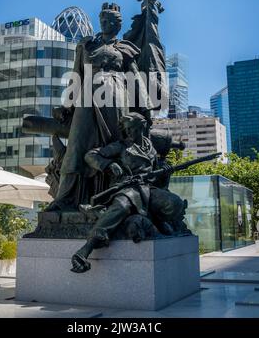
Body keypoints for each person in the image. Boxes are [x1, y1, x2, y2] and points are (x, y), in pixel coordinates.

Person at [46, 3, 151, 211]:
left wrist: (145, 107)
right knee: (76, 144)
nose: (104, 23)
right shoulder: (87, 45)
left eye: (109, 20)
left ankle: (108, 200)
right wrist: (66, 106)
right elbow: (76, 76)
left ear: (117, 25)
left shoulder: (125, 49)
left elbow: (135, 78)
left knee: (111, 146)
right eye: (102, 19)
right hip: (87, 98)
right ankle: (64, 198)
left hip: (115, 100)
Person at [71, 112, 187, 273]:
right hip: (126, 187)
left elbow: (157, 181)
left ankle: (156, 221)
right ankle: (85, 250)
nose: (129, 133)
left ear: (142, 126)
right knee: (122, 206)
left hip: (148, 190)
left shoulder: (151, 149)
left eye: (132, 129)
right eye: (127, 130)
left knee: (174, 203)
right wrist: (108, 164)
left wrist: (165, 174)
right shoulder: (121, 146)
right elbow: (90, 155)